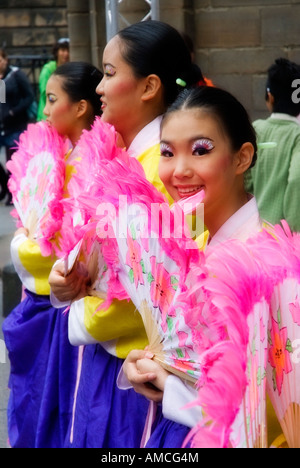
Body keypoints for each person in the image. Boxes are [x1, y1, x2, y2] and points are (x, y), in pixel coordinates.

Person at [49, 20, 202, 448]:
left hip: (139, 375)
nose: (99, 87)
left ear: (149, 86)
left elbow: (159, 292)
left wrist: (82, 313)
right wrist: (70, 278)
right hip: (113, 359)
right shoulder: (122, 157)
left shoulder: (163, 171)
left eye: (110, 73)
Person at [121, 86, 285, 447]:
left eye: (200, 150)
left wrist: (174, 389)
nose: (179, 170)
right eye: (167, 152)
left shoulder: (269, 264)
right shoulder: (193, 245)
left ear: (242, 158)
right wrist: (152, 364)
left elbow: (272, 416)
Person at [2, 61, 103, 448]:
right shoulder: (59, 155)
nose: (44, 110)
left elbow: (67, 247)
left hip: (63, 305)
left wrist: (23, 246)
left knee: (56, 406)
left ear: (80, 107)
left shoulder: (92, 166)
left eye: (51, 99)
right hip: (48, 301)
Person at [245, 58, 300, 232]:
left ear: (270, 96)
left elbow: (243, 180)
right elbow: (296, 180)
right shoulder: (297, 135)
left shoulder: (255, 129)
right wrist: (294, 230)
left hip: (253, 231)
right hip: (283, 238)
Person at [0, 48, 35, 204]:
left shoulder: (16, 75)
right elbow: (1, 101)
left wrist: (14, 111)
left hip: (15, 125)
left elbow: (29, 96)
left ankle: (12, 193)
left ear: (5, 59)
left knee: (12, 161)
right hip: (2, 125)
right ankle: (5, 186)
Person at [37, 38, 70, 122]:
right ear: (56, 52)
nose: (66, 53)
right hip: (46, 116)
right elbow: (45, 93)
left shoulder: (70, 69)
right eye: (63, 50)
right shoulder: (47, 70)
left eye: (68, 50)